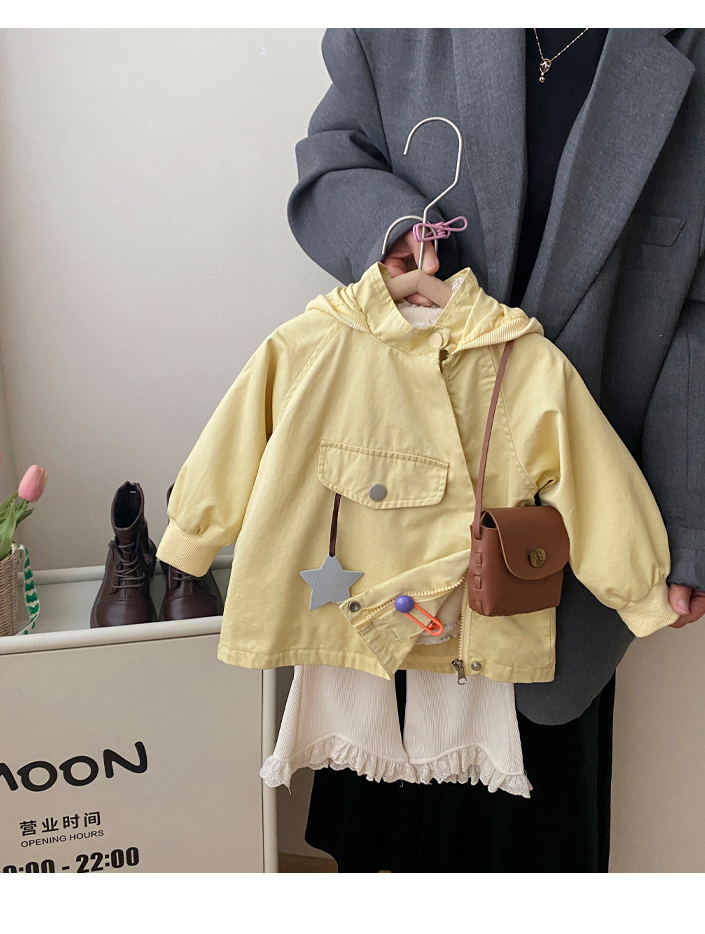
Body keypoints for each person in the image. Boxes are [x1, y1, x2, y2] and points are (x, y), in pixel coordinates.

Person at [286, 27, 705, 872]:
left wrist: (687, 522)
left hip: (565, 537)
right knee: (384, 844)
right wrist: (390, 232)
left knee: (533, 847)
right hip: (394, 516)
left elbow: (697, 312)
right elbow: (331, 161)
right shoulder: (401, 27)